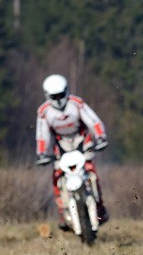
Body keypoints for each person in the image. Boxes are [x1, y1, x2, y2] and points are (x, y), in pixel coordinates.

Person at [35, 74, 109, 230]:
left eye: (61, 95)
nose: (58, 100)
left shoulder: (76, 103)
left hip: (82, 141)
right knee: (57, 178)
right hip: (61, 146)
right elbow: (42, 135)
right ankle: (63, 211)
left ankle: (100, 207)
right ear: (47, 96)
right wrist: (41, 153)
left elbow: (93, 121)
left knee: (91, 174)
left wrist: (101, 137)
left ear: (66, 91)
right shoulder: (44, 111)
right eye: (54, 96)